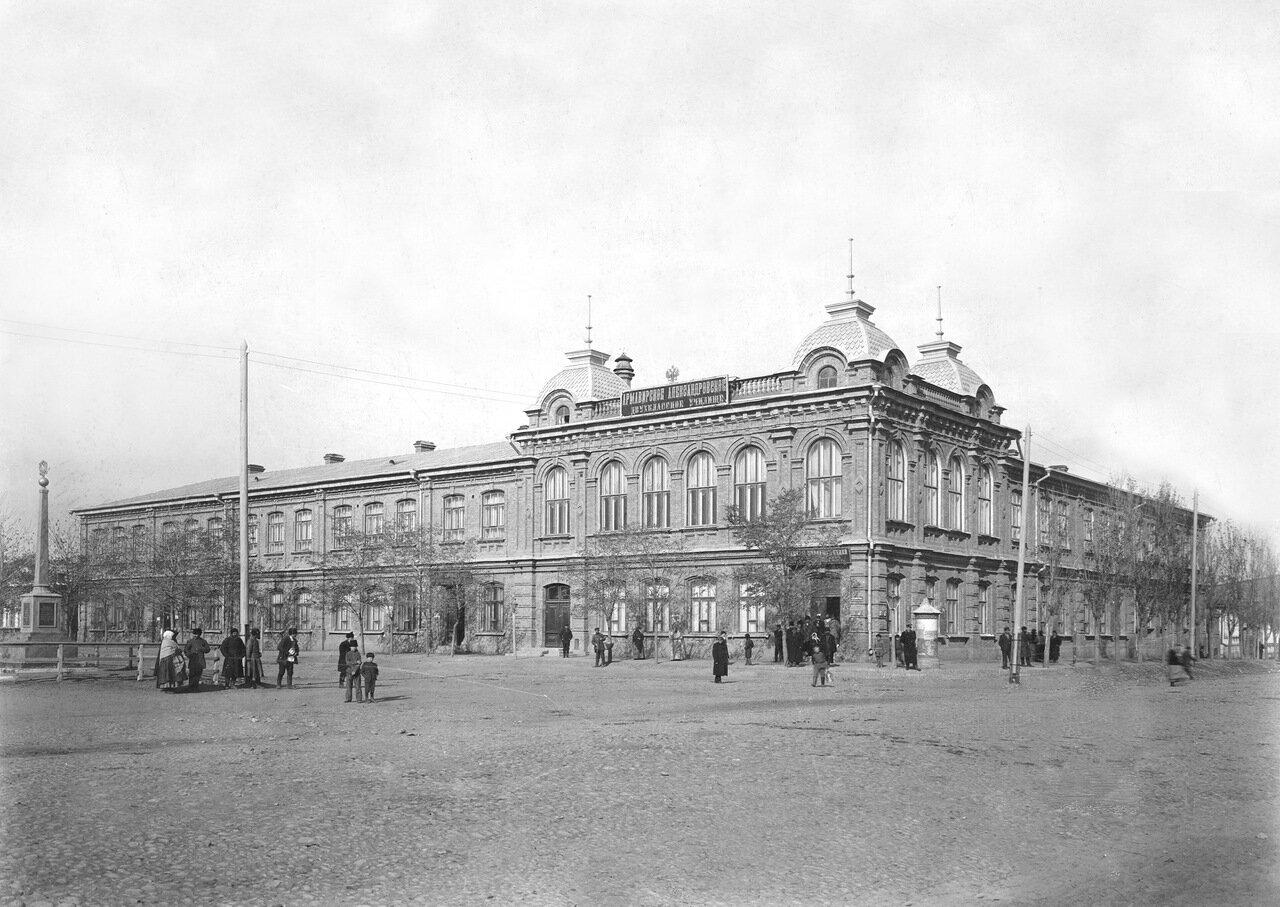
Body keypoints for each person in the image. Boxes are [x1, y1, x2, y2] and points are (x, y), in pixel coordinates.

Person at [184, 628, 210, 692]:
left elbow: (208, 649)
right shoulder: (190, 641)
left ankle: (196, 687)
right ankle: (190, 687)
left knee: (198, 673)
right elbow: (186, 650)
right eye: (194, 634)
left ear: (199, 634)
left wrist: (202, 649)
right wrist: (189, 655)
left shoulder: (203, 641)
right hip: (193, 659)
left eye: (197, 634)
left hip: (200, 659)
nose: (195, 635)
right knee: (192, 673)